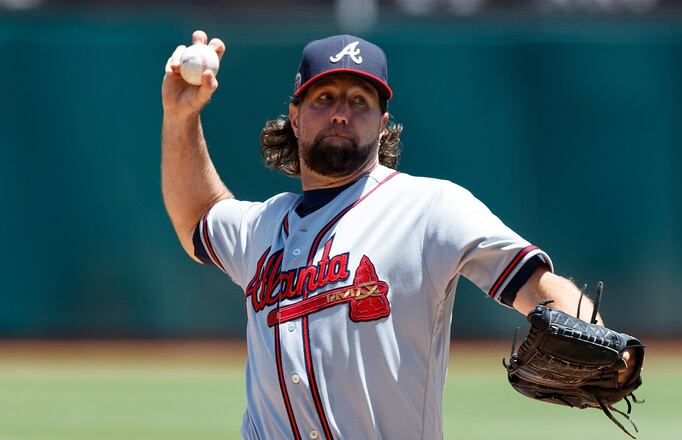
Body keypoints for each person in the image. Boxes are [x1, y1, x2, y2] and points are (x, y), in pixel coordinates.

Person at [161, 31, 635, 440]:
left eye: (360, 102)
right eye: (324, 98)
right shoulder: (261, 227)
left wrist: (596, 333)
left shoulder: (429, 208)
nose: (341, 113)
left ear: (383, 123)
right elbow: (198, 216)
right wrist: (181, 117)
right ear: (296, 115)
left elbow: (535, 283)